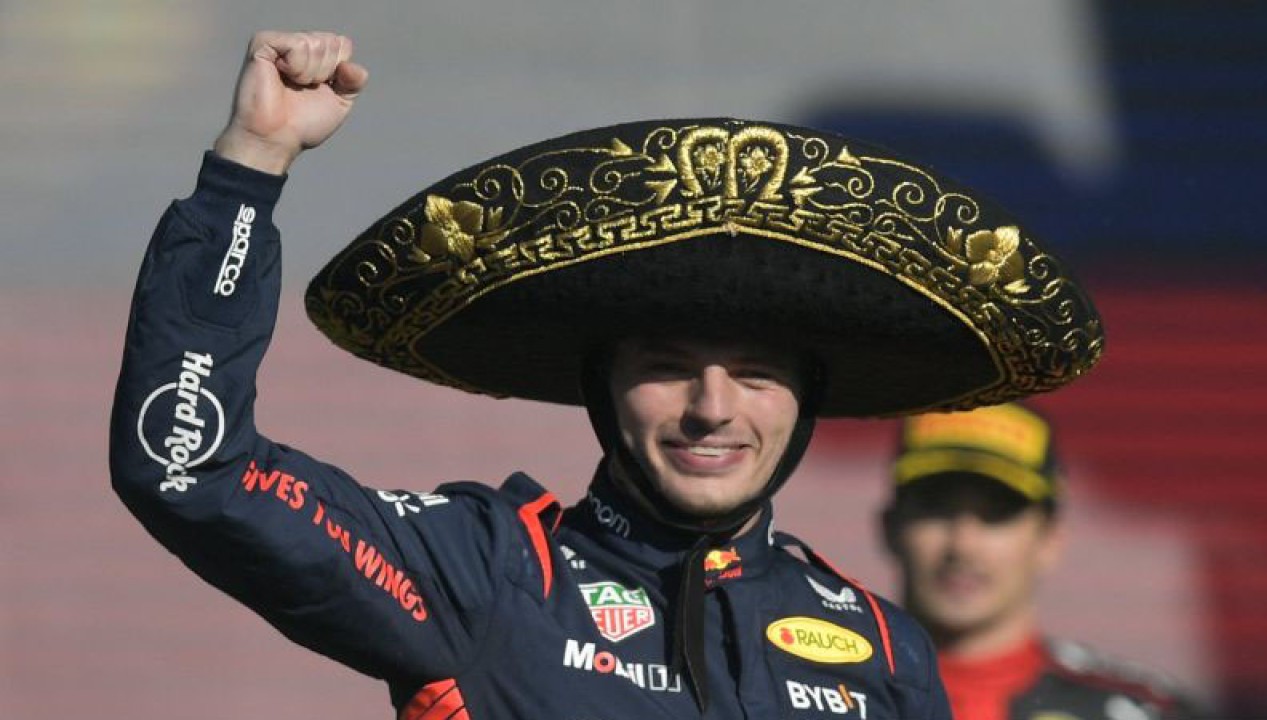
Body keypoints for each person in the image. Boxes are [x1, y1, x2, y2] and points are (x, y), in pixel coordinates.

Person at [109, 30, 1104, 719]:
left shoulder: (884, 650)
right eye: (668, 370)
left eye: (755, 375)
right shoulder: (488, 572)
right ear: (598, 386)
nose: (712, 409)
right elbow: (189, 466)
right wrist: (249, 166)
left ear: (808, 405)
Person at [880, 402, 1202, 720]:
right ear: (889, 527)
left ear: (1051, 539)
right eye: (937, 508)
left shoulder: (1145, 711)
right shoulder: (837, 696)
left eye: (996, 513)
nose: (963, 545)